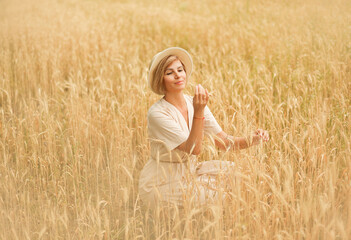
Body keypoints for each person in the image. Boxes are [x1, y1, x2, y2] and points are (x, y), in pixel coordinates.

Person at [138, 47, 269, 209]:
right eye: (170, 72)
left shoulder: (193, 102)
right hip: (162, 182)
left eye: (180, 70)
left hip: (190, 172)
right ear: (160, 79)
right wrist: (199, 111)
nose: (178, 75)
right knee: (218, 196)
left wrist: (254, 139)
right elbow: (193, 149)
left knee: (240, 175)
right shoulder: (157, 113)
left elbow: (224, 143)